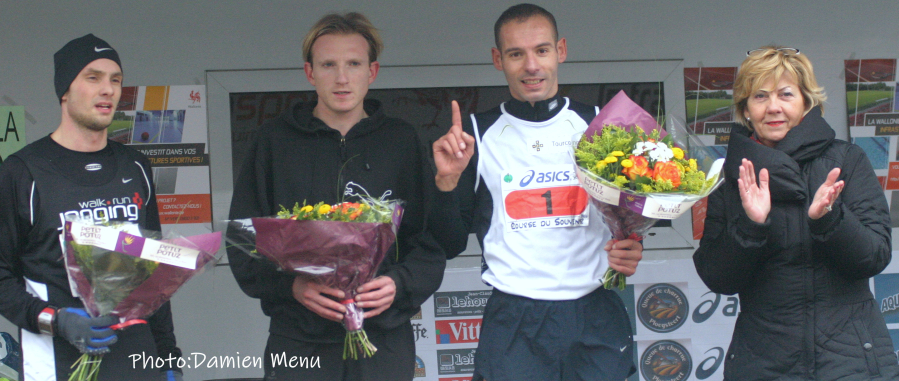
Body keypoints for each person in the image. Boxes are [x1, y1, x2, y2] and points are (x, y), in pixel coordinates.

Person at [227, 12, 446, 381]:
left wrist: (399, 284)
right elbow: (242, 239)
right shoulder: (274, 142)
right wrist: (291, 287)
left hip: (383, 341)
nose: (342, 78)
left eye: (354, 64)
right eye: (328, 64)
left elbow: (430, 241)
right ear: (310, 72)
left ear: (372, 71)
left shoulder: (401, 141)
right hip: (299, 340)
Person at [431, 4, 643, 380]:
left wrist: (633, 241)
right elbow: (448, 242)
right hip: (515, 320)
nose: (531, 65)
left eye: (541, 50)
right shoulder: (475, 136)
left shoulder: (601, 124)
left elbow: (634, 212)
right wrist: (446, 184)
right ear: (498, 59)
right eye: (516, 54)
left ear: (560, 50)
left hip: (594, 312)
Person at [693, 46, 899, 380]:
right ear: (745, 109)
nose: (773, 107)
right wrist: (751, 226)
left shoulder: (847, 160)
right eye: (759, 96)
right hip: (763, 364)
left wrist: (829, 218)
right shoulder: (734, 176)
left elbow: (874, 257)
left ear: (806, 101)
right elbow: (718, 278)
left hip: (851, 363)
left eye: (786, 94)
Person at [0, 34, 183, 380]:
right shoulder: (22, 172)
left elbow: (155, 278)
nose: (109, 89)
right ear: (64, 91)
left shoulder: (136, 166)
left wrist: (168, 358)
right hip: (57, 363)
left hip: (136, 361)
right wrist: (55, 320)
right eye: (93, 77)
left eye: (116, 80)